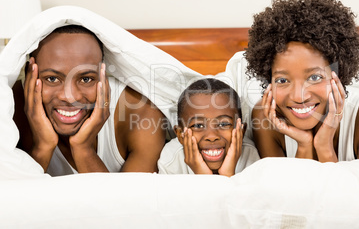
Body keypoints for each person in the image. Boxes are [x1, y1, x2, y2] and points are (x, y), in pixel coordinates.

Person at [245, 0, 359, 162]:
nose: (298, 96)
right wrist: (304, 145)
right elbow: (290, 189)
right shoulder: (265, 117)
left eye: (314, 77)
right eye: (282, 80)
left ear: (338, 74)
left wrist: (324, 145)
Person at [13, 25, 167, 175]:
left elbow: (130, 201)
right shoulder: (12, 108)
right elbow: (13, 198)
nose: (70, 97)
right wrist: (43, 147)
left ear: (103, 76)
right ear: (29, 76)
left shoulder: (141, 113)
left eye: (86, 79)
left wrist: (83, 148)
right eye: (52, 79)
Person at [158, 78, 260, 176]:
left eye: (223, 124)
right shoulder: (171, 161)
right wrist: (203, 176)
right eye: (198, 125)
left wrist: (228, 175)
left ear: (241, 131)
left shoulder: (250, 157)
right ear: (181, 135)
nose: (212, 136)